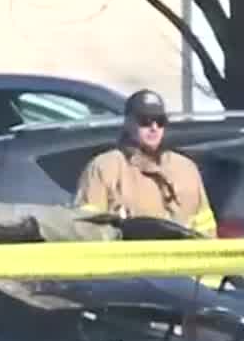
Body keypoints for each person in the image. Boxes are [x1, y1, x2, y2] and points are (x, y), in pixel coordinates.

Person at [72, 89, 217, 237]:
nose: (154, 127)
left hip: (182, 258)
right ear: (128, 123)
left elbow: (207, 230)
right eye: (145, 121)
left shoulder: (186, 169)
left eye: (160, 121)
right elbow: (85, 230)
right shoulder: (105, 167)